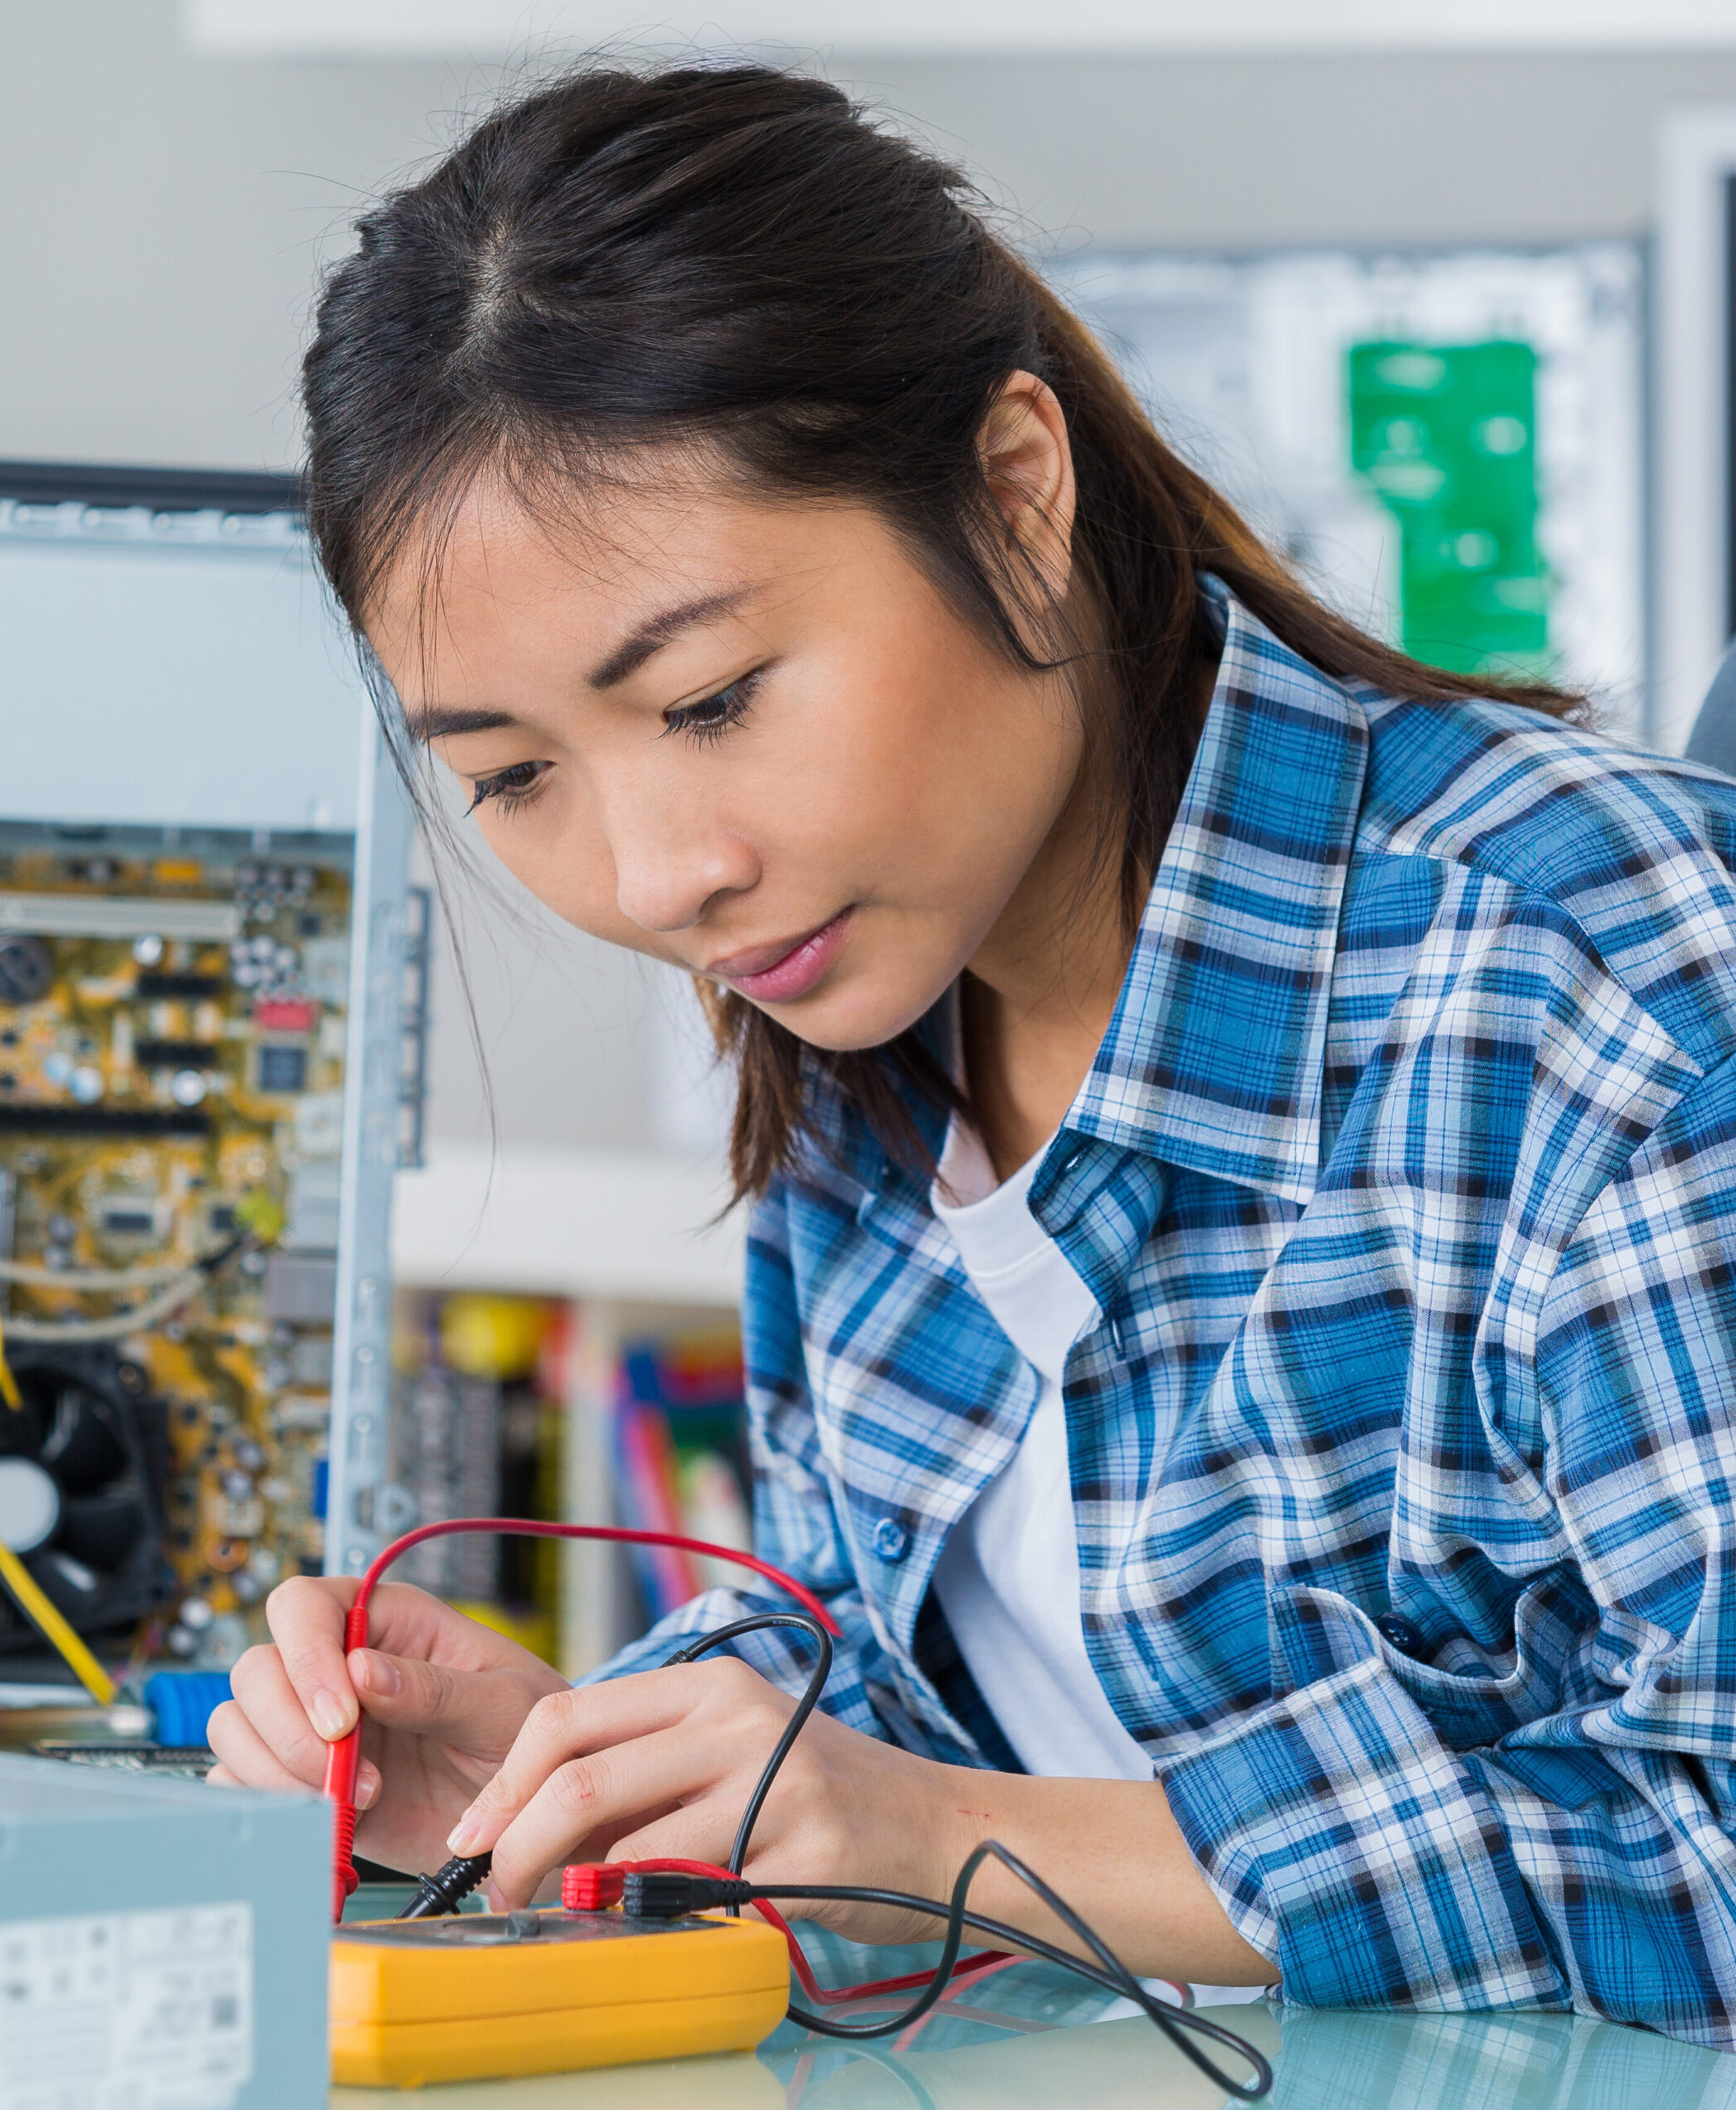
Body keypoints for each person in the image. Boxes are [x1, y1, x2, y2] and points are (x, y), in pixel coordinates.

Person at [209, 63, 1736, 2044]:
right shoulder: (850, 1024)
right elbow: (907, 1733)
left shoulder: (1591, 979)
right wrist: (584, 1791)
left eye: (712, 695)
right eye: (512, 777)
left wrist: (939, 1831)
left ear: (1014, 495)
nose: (663, 873)